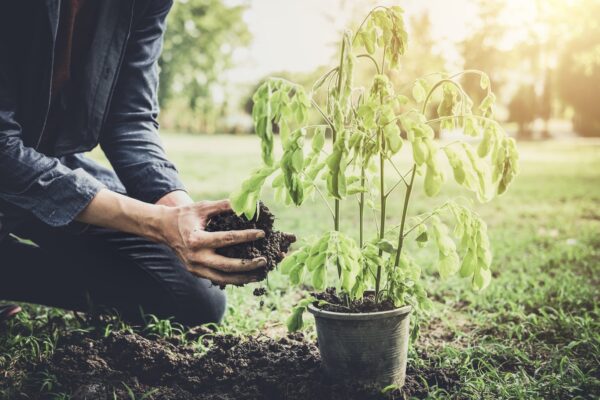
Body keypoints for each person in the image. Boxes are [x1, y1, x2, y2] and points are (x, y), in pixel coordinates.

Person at [0, 1, 282, 326]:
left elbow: (129, 119)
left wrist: (184, 219)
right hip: (10, 161)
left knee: (192, 298)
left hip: (48, 163)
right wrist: (153, 221)